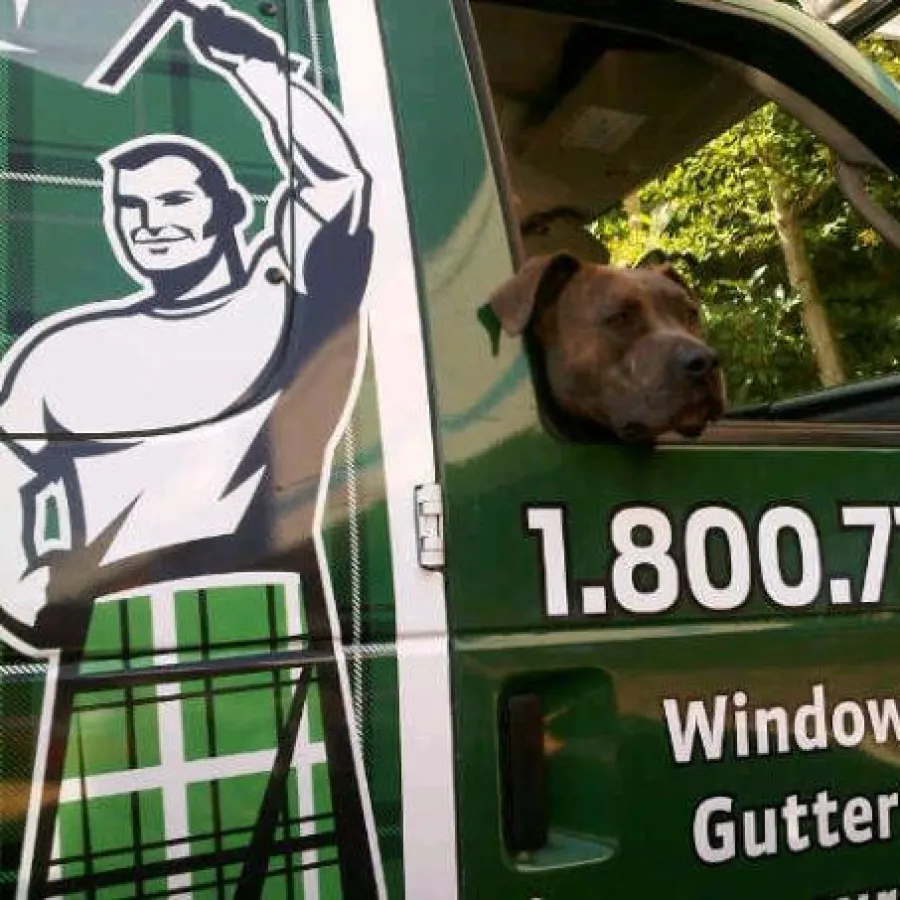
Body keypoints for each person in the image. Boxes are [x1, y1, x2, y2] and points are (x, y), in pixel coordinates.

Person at [0, 0, 373, 645]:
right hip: (112, 633)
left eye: (174, 199)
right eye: (130, 207)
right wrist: (24, 595)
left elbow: (336, 179)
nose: (149, 221)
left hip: (267, 616)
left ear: (229, 208)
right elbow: (8, 469)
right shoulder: (67, 353)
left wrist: (256, 67)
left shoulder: (280, 297)